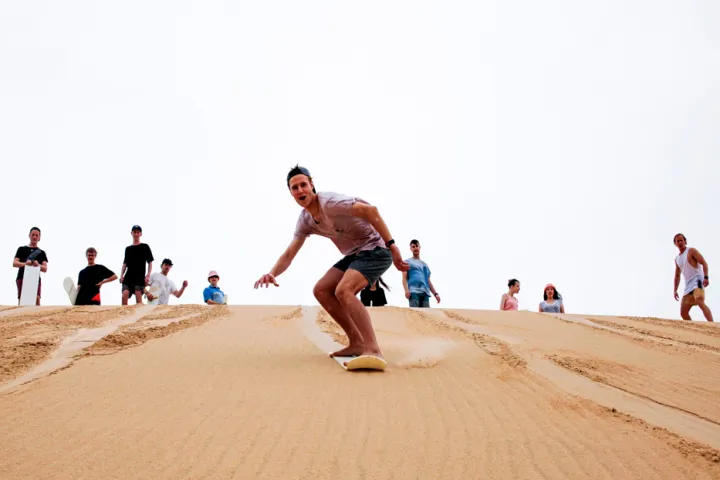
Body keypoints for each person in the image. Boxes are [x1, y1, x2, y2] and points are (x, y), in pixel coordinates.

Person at [253, 165, 410, 370]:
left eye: (303, 185)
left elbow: (371, 210)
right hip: (355, 255)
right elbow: (289, 254)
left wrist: (392, 245)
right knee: (322, 290)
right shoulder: (305, 220)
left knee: (344, 290)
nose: (300, 190)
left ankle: (373, 349)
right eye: (294, 188)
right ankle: (356, 342)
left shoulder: (331, 203)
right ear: (290, 193)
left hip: (377, 249)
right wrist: (272, 273)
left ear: (312, 185)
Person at [673, 233, 713, 322]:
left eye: (681, 240)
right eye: (677, 241)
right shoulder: (677, 259)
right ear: (675, 244)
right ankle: (694, 329)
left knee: (699, 300)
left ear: (685, 241)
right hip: (688, 285)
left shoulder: (691, 251)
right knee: (683, 313)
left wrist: (706, 277)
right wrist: (675, 290)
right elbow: (677, 276)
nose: (680, 242)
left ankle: (713, 326)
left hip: (697, 279)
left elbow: (704, 263)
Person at [12, 227, 49, 306]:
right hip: (22, 277)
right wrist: (25, 264)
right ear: (29, 235)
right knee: (22, 300)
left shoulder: (42, 252)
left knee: (37, 299)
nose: (34, 237)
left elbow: (45, 268)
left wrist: (37, 264)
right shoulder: (21, 249)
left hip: (35, 278)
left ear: (39, 238)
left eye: (36, 235)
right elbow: (15, 263)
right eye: (33, 235)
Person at [119, 225, 154, 305]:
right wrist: (121, 275)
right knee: (125, 295)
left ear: (140, 234)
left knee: (138, 299)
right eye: (134, 232)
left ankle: (139, 316)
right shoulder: (128, 249)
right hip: (128, 276)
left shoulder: (145, 247)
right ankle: (124, 315)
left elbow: (150, 262)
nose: (136, 234)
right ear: (131, 233)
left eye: (138, 232)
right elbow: (125, 264)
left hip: (139, 277)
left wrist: (148, 275)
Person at [402, 239, 440, 308]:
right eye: (413, 247)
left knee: (426, 315)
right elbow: (404, 278)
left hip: (425, 292)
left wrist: (435, 294)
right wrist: (406, 291)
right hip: (413, 292)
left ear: (420, 247)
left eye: (417, 246)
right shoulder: (407, 262)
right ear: (410, 249)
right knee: (415, 314)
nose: (415, 248)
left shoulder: (425, 265)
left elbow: (428, 281)